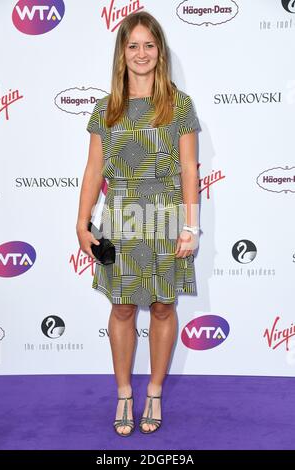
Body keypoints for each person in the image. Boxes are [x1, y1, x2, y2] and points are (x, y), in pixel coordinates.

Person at [76, 10, 200, 437]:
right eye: (133, 46)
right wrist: (81, 224)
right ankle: (125, 392)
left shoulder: (178, 103)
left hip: (166, 219)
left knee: (164, 306)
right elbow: (93, 172)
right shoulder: (105, 109)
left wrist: (192, 226)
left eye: (149, 45)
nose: (142, 53)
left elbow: (189, 169)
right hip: (120, 220)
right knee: (123, 307)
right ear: (122, 53)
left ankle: (156, 392)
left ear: (159, 51)